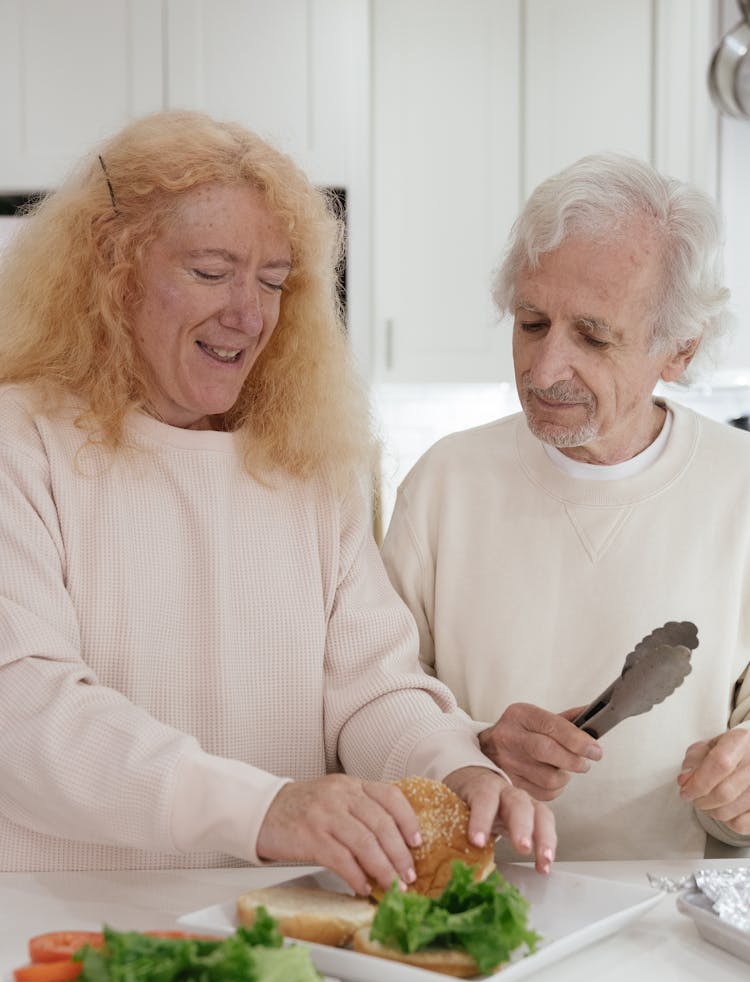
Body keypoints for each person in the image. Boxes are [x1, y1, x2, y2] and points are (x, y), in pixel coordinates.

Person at [0, 110, 556, 889]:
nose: (248, 314)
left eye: (271, 282)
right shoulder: (19, 442)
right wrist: (264, 809)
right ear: (110, 265)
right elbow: (23, 709)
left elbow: (371, 688)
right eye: (209, 271)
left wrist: (455, 767)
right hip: (65, 926)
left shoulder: (304, 462)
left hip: (271, 926)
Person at [381, 151, 750, 861]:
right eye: (530, 322)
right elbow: (368, 713)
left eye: (592, 335)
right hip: (474, 900)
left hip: (668, 922)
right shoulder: (443, 486)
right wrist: (475, 748)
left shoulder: (739, 488)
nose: (545, 370)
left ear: (679, 349)